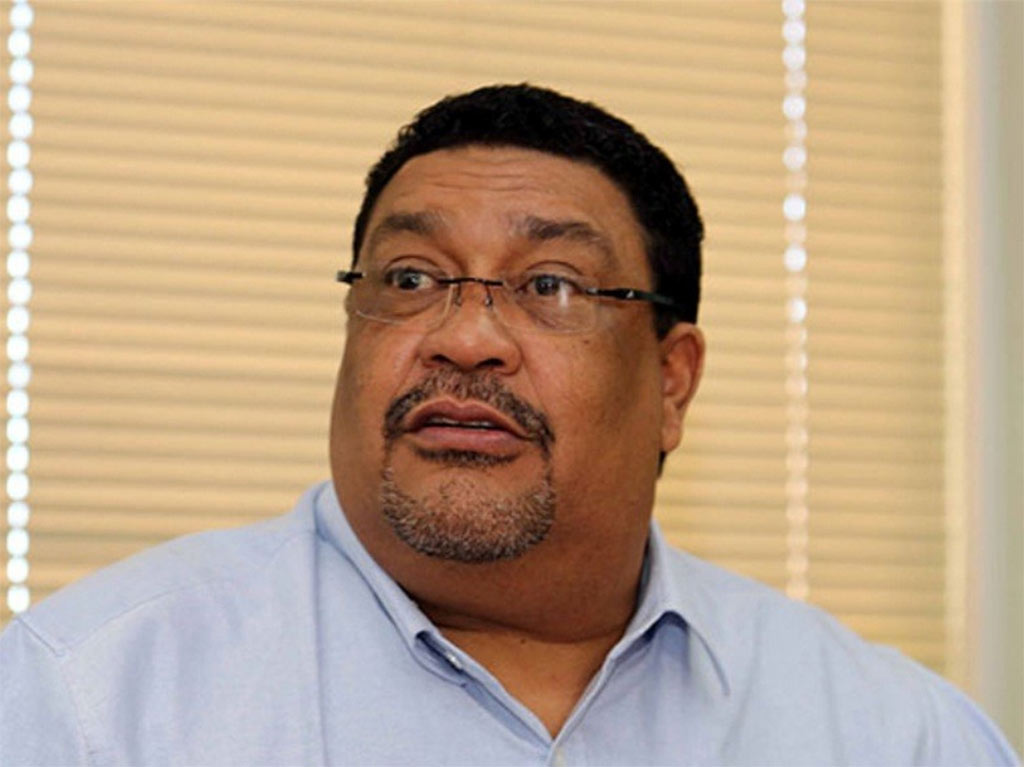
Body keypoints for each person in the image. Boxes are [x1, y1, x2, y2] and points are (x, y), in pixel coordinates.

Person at [0, 84, 1017, 767]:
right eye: (410, 278)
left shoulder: (890, 734)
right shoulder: (92, 702)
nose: (465, 337)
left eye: (550, 285)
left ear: (671, 381)